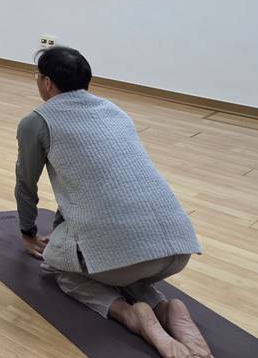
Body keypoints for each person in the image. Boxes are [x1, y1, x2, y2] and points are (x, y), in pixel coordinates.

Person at [15, 46, 212, 358]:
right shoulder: (115, 110)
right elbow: (99, 182)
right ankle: (161, 305)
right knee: (121, 264)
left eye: (38, 76)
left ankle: (129, 314)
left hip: (127, 258)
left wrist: (28, 233)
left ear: (47, 83)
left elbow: (26, 184)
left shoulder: (37, 122)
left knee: (60, 267)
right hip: (178, 249)